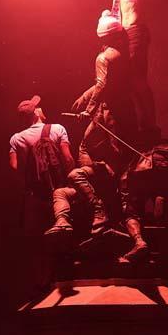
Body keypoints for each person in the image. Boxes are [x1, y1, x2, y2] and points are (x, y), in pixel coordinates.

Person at [64, 14, 149, 263]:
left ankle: (94, 197)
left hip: (109, 114)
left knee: (85, 143)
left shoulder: (102, 57)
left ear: (102, 37)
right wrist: (85, 95)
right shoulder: (123, 57)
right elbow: (106, 83)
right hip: (127, 112)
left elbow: (102, 84)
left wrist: (88, 109)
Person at [65, 0, 164, 136]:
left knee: (138, 81)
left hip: (136, 32)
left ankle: (150, 127)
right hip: (120, 36)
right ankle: (126, 126)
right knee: (115, 75)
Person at [10, 95, 75, 235]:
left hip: (37, 194)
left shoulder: (17, 138)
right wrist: (71, 182)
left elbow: (14, 167)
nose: (40, 108)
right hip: (61, 187)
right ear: (36, 113)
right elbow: (68, 158)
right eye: (37, 107)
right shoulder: (57, 128)